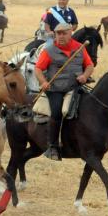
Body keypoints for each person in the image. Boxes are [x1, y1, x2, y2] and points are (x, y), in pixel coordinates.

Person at [34, 22, 94, 161]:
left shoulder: (80, 48)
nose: (60, 36)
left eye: (64, 33)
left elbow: (89, 65)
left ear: (70, 33)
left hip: (75, 87)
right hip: (55, 89)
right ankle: (53, 146)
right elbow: (38, 69)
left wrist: (84, 76)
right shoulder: (49, 50)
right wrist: (43, 82)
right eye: (58, 33)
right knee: (56, 111)